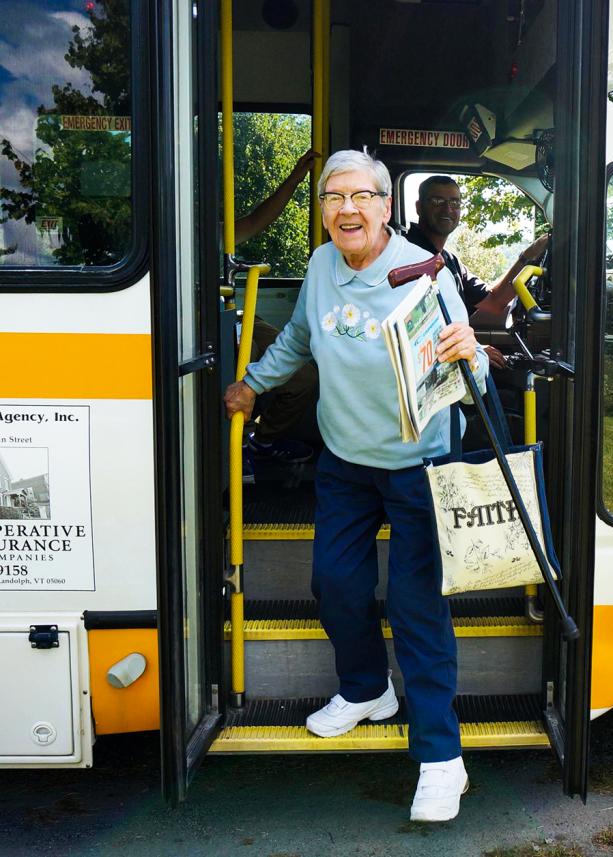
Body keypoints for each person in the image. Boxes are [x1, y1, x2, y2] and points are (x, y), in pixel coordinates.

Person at [223, 149, 488, 823]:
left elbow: (475, 375)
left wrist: (469, 352)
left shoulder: (423, 275)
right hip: (344, 459)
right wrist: (253, 382)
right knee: (334, 583)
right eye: (333, 198)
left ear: (385, 206)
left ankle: (441, 758)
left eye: (360, 196)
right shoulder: (319, 266)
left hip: (418, 463)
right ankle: (368, 688)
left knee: (416, 603)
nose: (346, 209)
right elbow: (301, 342)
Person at [404, 175, 550, 366]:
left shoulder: (449, 260)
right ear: (418, 207)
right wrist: (476, 349)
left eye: (454, 202)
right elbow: (417, 330)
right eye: (437, 201)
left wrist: (529, 253)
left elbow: (494, 301)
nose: (447, 209)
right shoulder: (408, 256)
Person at [235, 148, 322, 464]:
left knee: (304, 378)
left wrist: (296, 177)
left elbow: (258, 219)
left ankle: (263, 440)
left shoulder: (209, 233)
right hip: (202, 323)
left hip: (236, 315)